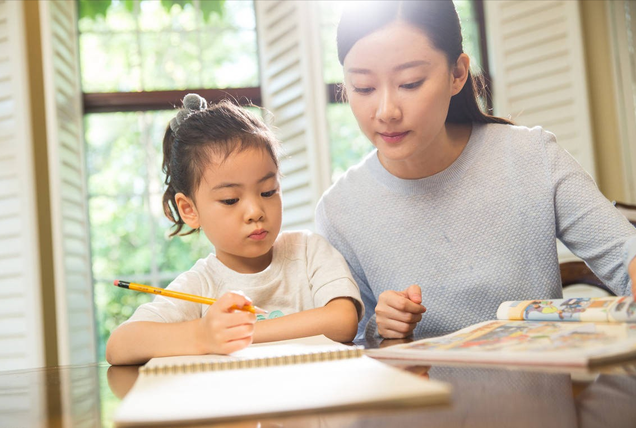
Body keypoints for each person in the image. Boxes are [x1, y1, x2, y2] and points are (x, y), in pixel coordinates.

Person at [315, 0, 636, 341]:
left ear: (457, 74)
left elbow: (624, 254)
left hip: (540, 390)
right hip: (420, 393)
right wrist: (381, 327)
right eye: (363, 87)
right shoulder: (339, 211)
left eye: (409, 83)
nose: (386, 111)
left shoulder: (530, 156)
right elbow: (349, 343)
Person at [106, 95, 363, 365]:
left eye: (268, 191)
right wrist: (204, 335)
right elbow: (119, 345)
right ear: (190, 210)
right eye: (230, 200)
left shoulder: (308, 251)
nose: (255, 212)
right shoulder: (201, 283)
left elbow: (343, 319)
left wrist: (241, 334)